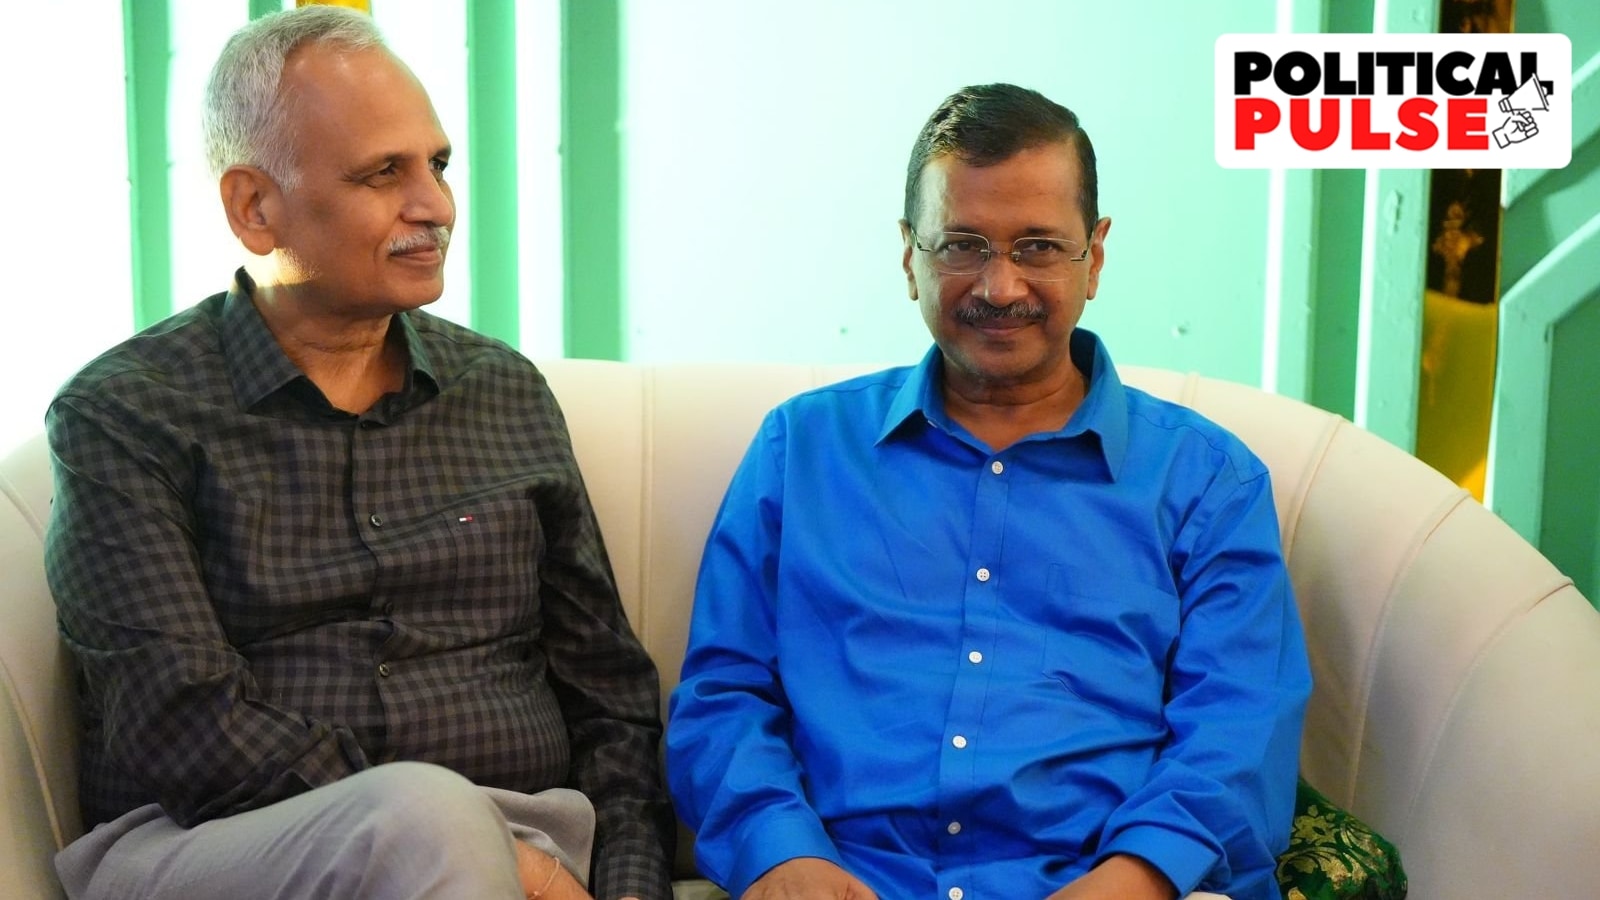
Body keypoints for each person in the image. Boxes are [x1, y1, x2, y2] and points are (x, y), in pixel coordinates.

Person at [44, 7, 671, 899]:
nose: (437, 206)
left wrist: (627, 889)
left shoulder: (503, 391)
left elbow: (609, 696)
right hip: (220, 848)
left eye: (438, 165)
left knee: (435, 821)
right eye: (384, 173)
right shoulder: (127, 415)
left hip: (527, 846)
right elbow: (177, 724)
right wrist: (478, 848)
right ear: (254, 207)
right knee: (423, 817)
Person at [665, 83, 1312, 900]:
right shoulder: (801, 451)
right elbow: (723, 694)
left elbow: (1239, 727)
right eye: (962, 245)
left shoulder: (1205, 482)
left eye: (1038, 246)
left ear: (1096, 256)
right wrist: (782, 855)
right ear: (909, 256)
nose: (999, 286)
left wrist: (1140, 876)